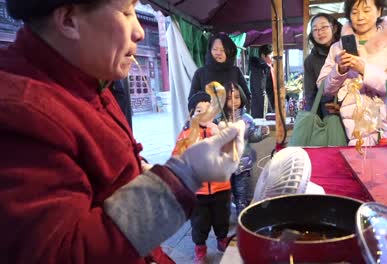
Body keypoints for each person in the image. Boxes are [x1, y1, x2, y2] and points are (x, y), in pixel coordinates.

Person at [0, 1, 245, 264]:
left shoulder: (91, 82)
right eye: (127, 11)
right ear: (69, 20)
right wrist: (185, 174)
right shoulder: (20, 112)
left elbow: (103, 178)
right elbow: (61, 253)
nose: (139, 31)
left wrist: (146, 173)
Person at [317, 0, 387, 146]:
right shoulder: (337, 48)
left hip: (383, 125)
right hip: (350, 127)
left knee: (383, 165)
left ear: (379, 11)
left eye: (366, 10)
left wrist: (364, 69)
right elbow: (324, 88)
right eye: (354, 12)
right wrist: (339, 70)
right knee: (354, 163)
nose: (360, 17)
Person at [173, 91, 232, 263]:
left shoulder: (220, 130)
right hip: (197, 191)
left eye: (208, 110)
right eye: (199, 111)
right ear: (192, 114)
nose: (205, 114)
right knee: (199, 223)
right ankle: (200, 247)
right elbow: (178, 156)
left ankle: (222, 239)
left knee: (222, 217)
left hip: (221, 187)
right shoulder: (186, 135)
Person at [219, 82, 270, 216]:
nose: (234, 101)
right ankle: (224, 224)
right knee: (224, 197)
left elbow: (252, 136)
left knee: (242, 196)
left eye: (237, 97)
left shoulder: (247, 119)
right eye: (230, 98)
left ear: (241, 98)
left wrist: (262, 133)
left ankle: (242, 221)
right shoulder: (218, 120)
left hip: (243, 165)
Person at [189, 33, 250, 111]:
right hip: (208, 120)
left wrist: (236, 107)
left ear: (230, 52)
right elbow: (192, 100)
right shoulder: (200, 73)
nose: (218, 53)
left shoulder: (235, 71)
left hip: (233, 119)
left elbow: (246, 96)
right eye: (215, 49)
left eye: (222, 50)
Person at [303, 13, 342, 116]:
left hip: (354, 113)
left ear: (334, 28)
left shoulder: (345, 51)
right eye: (315, 29)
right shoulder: (310, 61)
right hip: (328, 117)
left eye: (324, 27)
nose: (319, 32)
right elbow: (310, 95)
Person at [249, 44, 275, 118]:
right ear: (263, 55)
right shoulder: (259, 69)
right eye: (271, 55)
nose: (273, 58)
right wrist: (270, 111)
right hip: (261, 111)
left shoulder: (267, 68)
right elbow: (261, 91)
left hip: (268, 107)